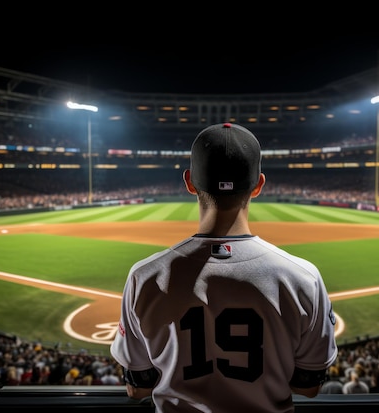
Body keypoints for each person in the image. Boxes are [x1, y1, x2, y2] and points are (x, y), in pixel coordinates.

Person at [110, 122, 338, 413]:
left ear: (190, 181)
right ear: (258, 185)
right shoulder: (304, 277)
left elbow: (138, 388)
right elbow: (309, 386)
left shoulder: (145, 276)